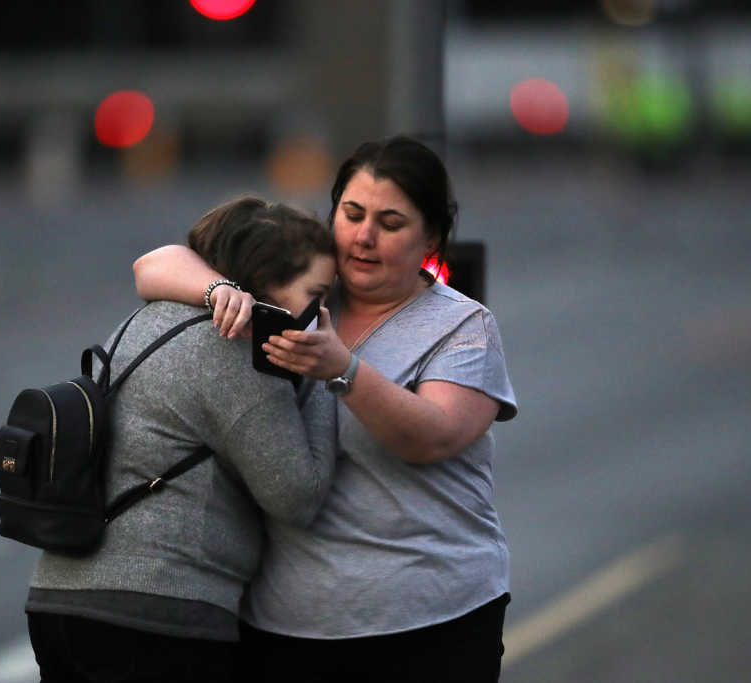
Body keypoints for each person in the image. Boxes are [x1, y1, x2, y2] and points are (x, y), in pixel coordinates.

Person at [132, 135, 519, 682]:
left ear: (431, 236)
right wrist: (219, 289)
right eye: (352, 213)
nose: (364, 236)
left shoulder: (463, 325)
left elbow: (433, 437)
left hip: (432, 620)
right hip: (285, 628)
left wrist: (344, 369)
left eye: (391, 223)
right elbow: (155, 265)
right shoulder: (299, 290)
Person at [25, 196, 339, 683]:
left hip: (59, 598)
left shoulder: (144, 320)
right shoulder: (233, 354)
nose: (320, 314)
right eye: (315, 295)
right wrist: (323, 374)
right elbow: (298, 495)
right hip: (155, 617)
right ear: (267, 284)